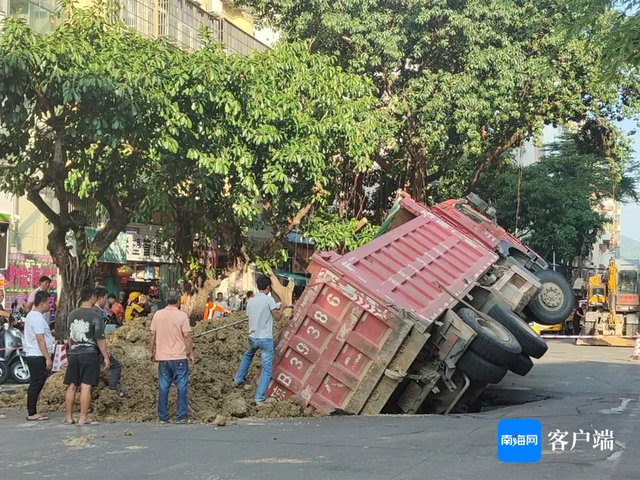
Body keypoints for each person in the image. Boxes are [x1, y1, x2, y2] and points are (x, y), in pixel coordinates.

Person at [234, 275, 284, 406]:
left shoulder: (250, 301)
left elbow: (251, 316)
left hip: (253, 337)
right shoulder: (269, 300)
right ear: (268, 287)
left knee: (248, 355)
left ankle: (238, 378)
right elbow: (277, 317)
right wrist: (282, 309)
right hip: (265, 339)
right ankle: (259, 398)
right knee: (267, 369)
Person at [64, 286, 110, 426]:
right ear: (92, 297)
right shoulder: (96, 315)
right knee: (85, 386)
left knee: (72, 386)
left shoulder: (72, 314)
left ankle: (69, 417)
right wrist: (106, 357)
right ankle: (83, 418)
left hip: (74, 353)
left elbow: (70, 337)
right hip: (89, 354)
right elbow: (100, 339)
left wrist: (71, 350)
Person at [148, 290, 194, 423]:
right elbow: (187, 336)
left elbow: (152, 334)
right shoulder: (182, 316)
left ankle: (163, 417)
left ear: (167, 300)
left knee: (163, 387)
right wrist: (190, 353)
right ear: (179, 301)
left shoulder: (158, 315)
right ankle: (181, 416)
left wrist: (151, 351)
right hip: (179, 357)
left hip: (163, 357)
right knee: (181, 386)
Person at [23, 290, 53, 421]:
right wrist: (47, 357)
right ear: (41, 303)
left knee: (36, 383)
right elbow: (40, 339)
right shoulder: (37, 318)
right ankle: (32, 413)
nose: (50, 306)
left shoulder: (31, 315)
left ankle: (32, 410)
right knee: (36, 383)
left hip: (33, 353)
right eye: (48, 303)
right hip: (37, 355)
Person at [93, 287, 126, 398]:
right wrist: (105, 353)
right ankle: (111, 391)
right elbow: (99, 336)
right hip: (95, 348)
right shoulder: (98, 313)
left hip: (84, 349)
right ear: (100, 298)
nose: (106, 301)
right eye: (106, 298)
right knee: (116, 365)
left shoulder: (86, 311)